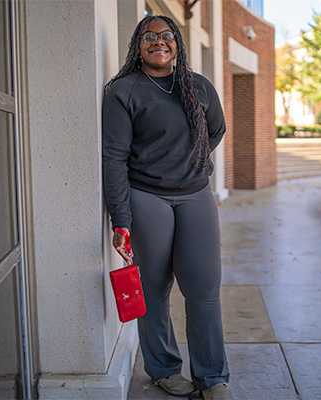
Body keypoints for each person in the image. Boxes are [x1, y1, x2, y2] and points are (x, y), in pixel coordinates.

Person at [102, 15, 233, 400]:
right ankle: (163, 369)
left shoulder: (198, 86)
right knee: (155, 288)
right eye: (149, 37)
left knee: (204, 286)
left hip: (195, 196)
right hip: (147, 198)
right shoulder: (123, 91)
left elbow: (216, 129)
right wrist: (120, 219)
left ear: (177, 42)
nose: (159, 42)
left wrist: (189, 159)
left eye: (167, 35)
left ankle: (212, 377)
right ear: (138, 45)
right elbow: (113, 158)